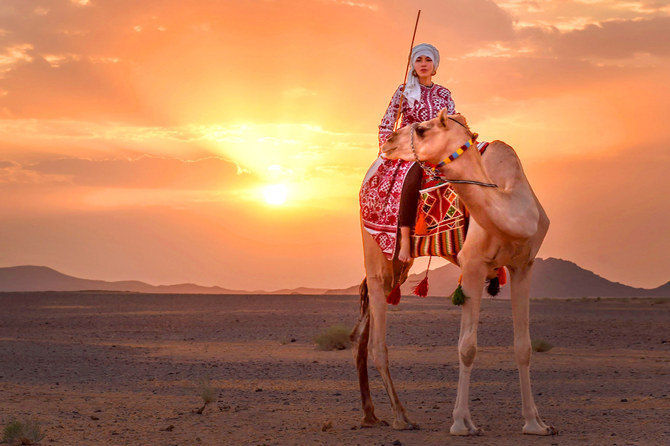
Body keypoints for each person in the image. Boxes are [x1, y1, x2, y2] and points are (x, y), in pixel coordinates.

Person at [378, 43, 456, 262]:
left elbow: (452, 123)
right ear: (413, 64)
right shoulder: (404, 92)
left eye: (428, 60)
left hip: (439, 150)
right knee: (411, 179)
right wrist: (386, 149)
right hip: (410, 149)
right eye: (419, 60)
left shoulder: (444, 93)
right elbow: (386, 124)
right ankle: (405, 240)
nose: (423, 64)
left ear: (435, 66)